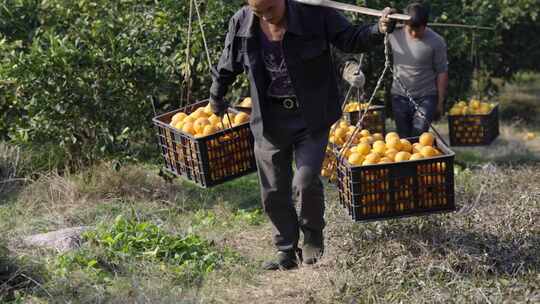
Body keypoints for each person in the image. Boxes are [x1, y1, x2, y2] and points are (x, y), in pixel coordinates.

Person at [209, 0, 396, 270]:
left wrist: (379, 29)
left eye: (270, 10)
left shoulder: (314, 14)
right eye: (259, 12)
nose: (266, 17)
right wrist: (216, 96)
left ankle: (313, 238)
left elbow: (350, 38)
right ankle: (286, 249)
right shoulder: (242, 22)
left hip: (312, 115)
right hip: (270, 118)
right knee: (273, 190)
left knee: (305, 180)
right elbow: (228, 63)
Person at [389, 2, 448, 138]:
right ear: (405, 24)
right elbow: (375, 32)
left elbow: (442, 72)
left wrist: (439, 102)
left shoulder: (436, 41)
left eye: (418, 29)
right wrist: (388, 19)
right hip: (399, 97)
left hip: (426, 97)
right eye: (411, 29)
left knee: (419, 137)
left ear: (425, 25)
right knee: (403, 140)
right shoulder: (394, 34)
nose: (414, 33)